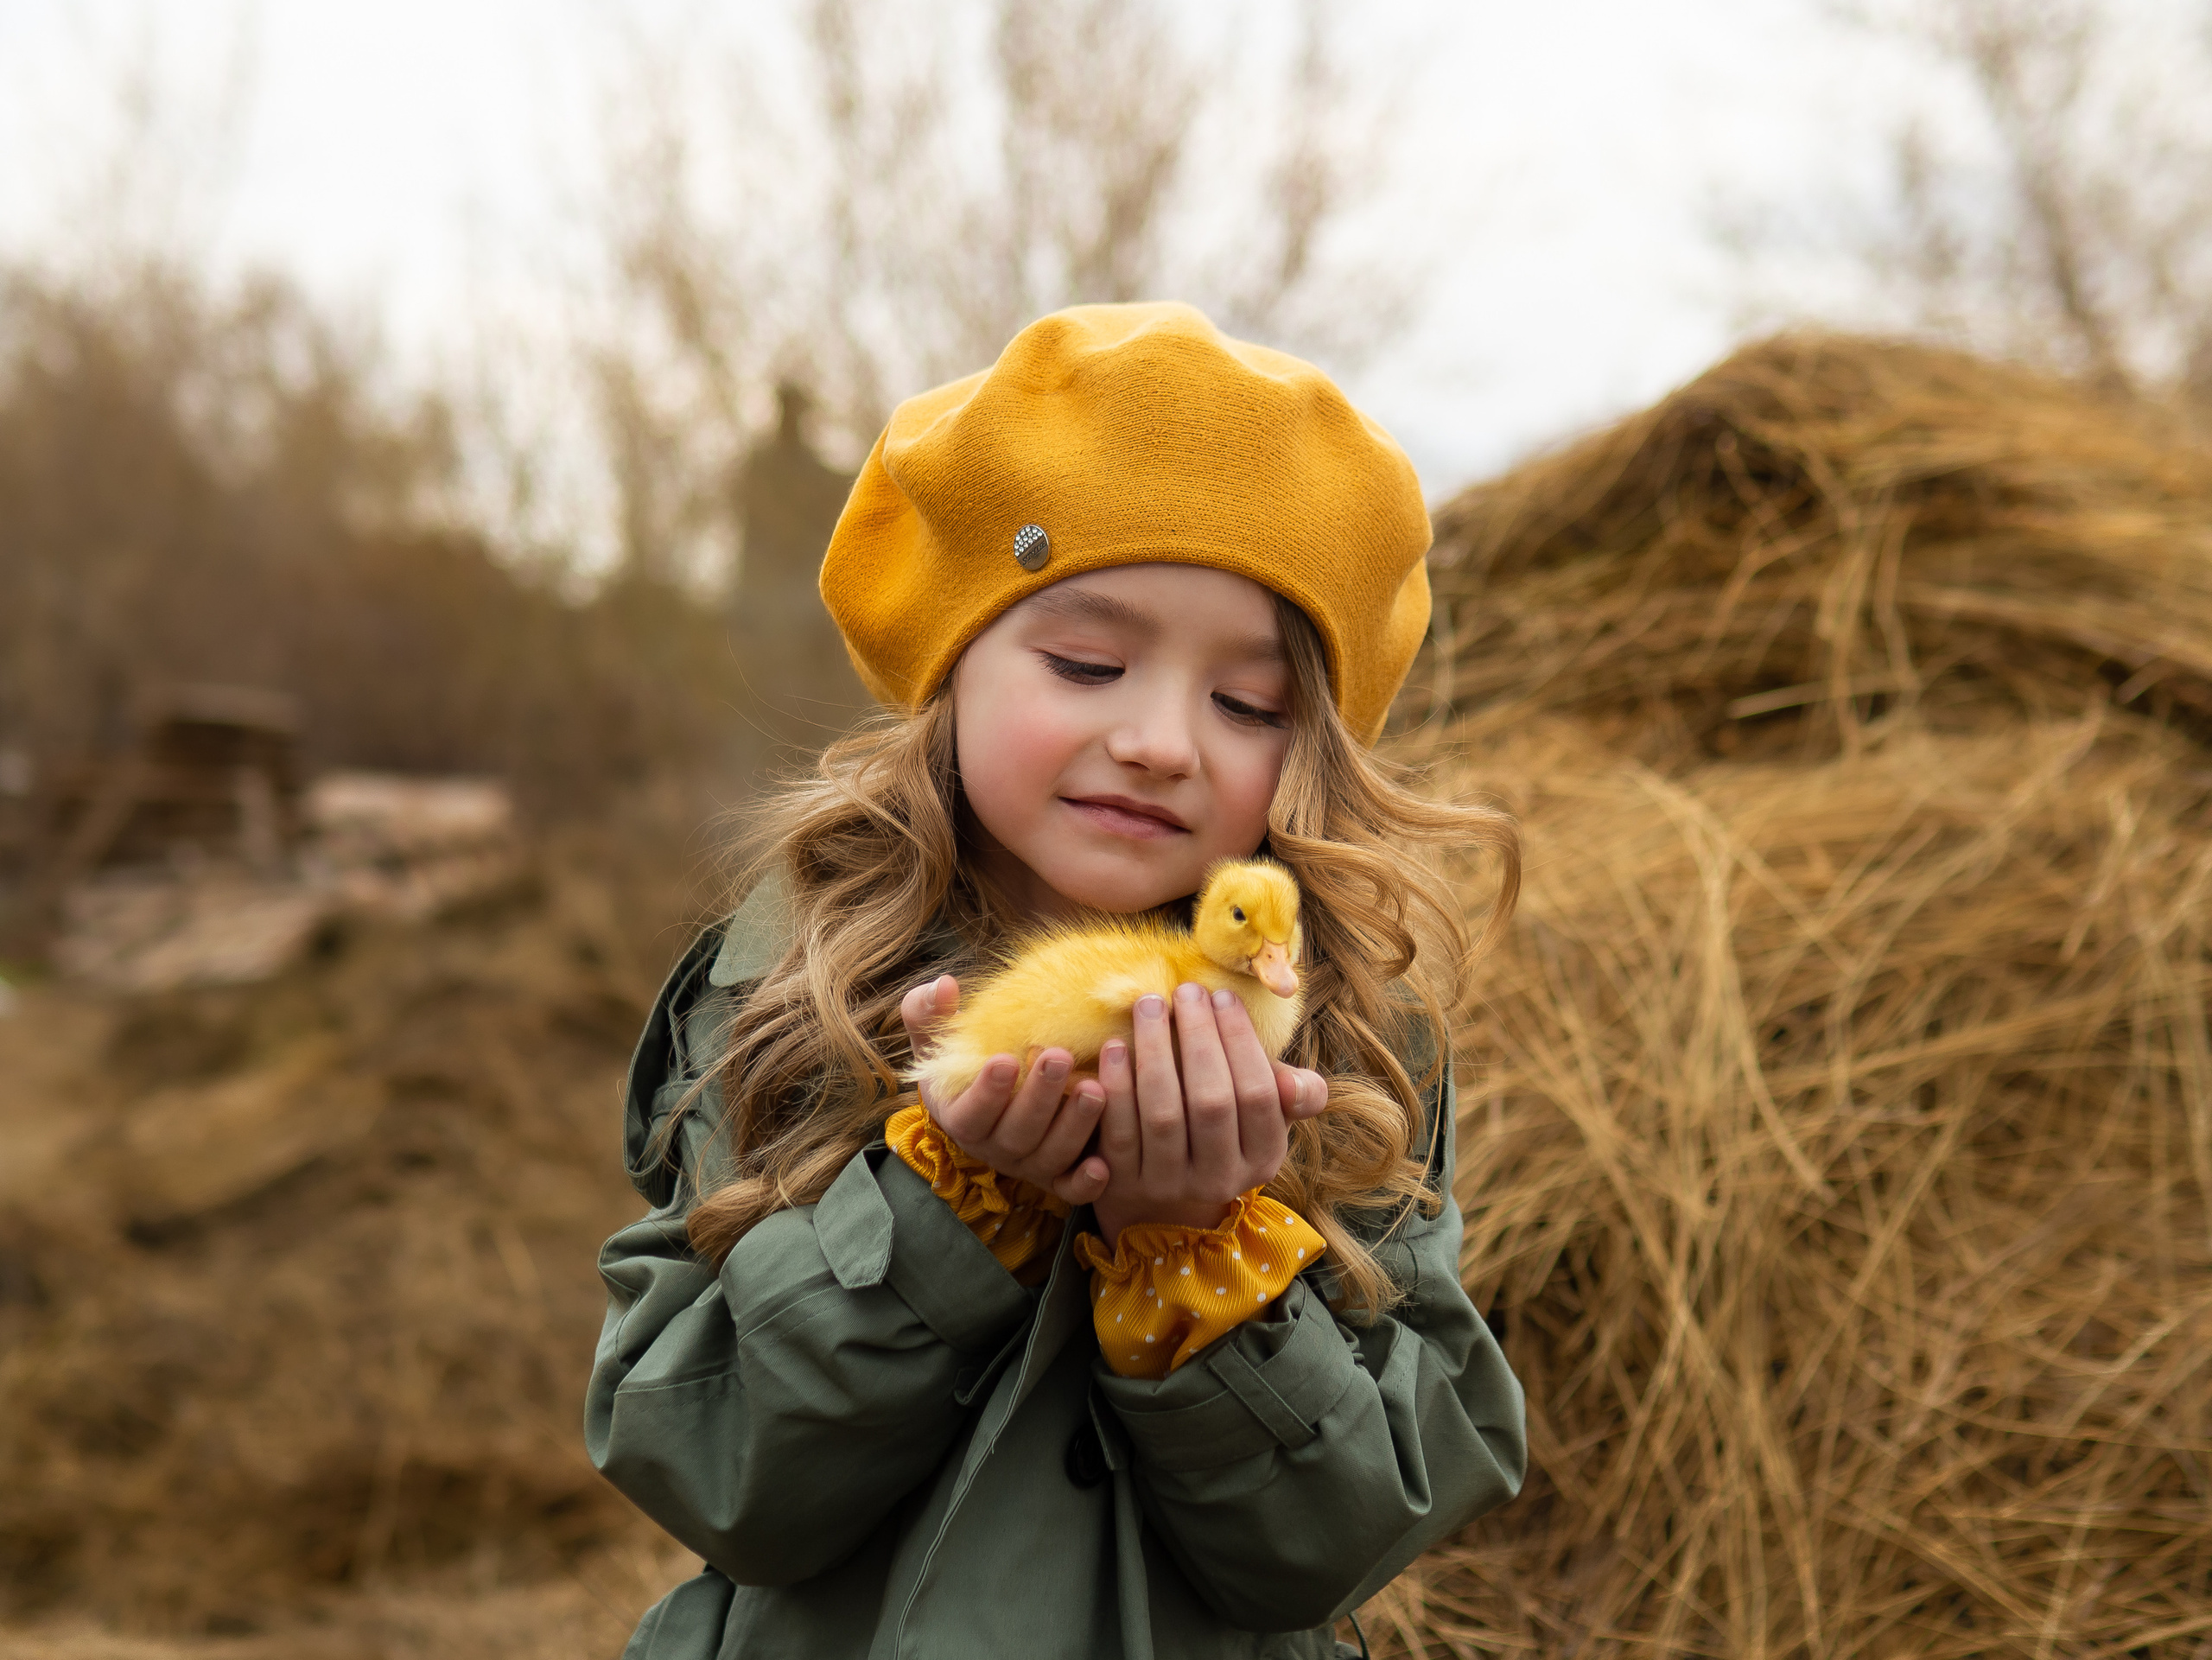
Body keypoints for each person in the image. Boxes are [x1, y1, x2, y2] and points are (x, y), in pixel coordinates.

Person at [587, 302, 1527, 1660]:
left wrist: (1201, 1257)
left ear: (1309, 747)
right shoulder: (800, 987)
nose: (1157, 741)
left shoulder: (1356, 1049)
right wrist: (940, 1215)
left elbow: (1347, 1536)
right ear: (951, 666)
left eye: (1249, 704)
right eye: (1088, 663)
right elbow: (714, 1469)